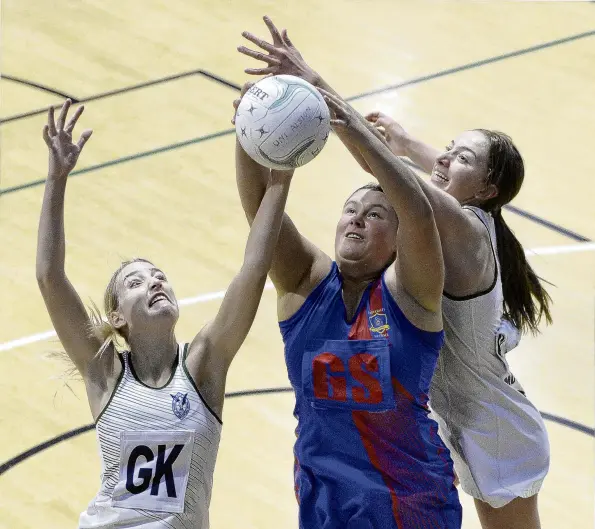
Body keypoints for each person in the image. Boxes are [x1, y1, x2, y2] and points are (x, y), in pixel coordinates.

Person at [237, 16, 552, 529]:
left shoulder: (464, 230)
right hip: (456, 417)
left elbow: (390, 175)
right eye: (446, 148)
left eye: (461, 156)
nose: (444, 157)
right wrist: (408, 144)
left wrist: (317, 89)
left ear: (487, 188)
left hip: (493, 429)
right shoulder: (473, 210)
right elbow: (422, 166)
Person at [36, 99, 293, 529]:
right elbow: (49, 275)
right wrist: (56, 179)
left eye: (159, 276)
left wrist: (280, 180)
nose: (156, 282)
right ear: (117, 318)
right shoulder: (104, 373)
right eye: (136, 283)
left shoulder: (205, 364)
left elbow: (253, 267)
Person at [233, 80, 462, 526]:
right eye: (350, 208)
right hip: (324, 502)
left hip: (409, 503)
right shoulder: (304, 282)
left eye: (375, 213)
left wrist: (347, 124)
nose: (357, 216)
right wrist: (249, 135)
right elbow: (261, 208)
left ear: (398, 242)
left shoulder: (411, 294)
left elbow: (416, 210)